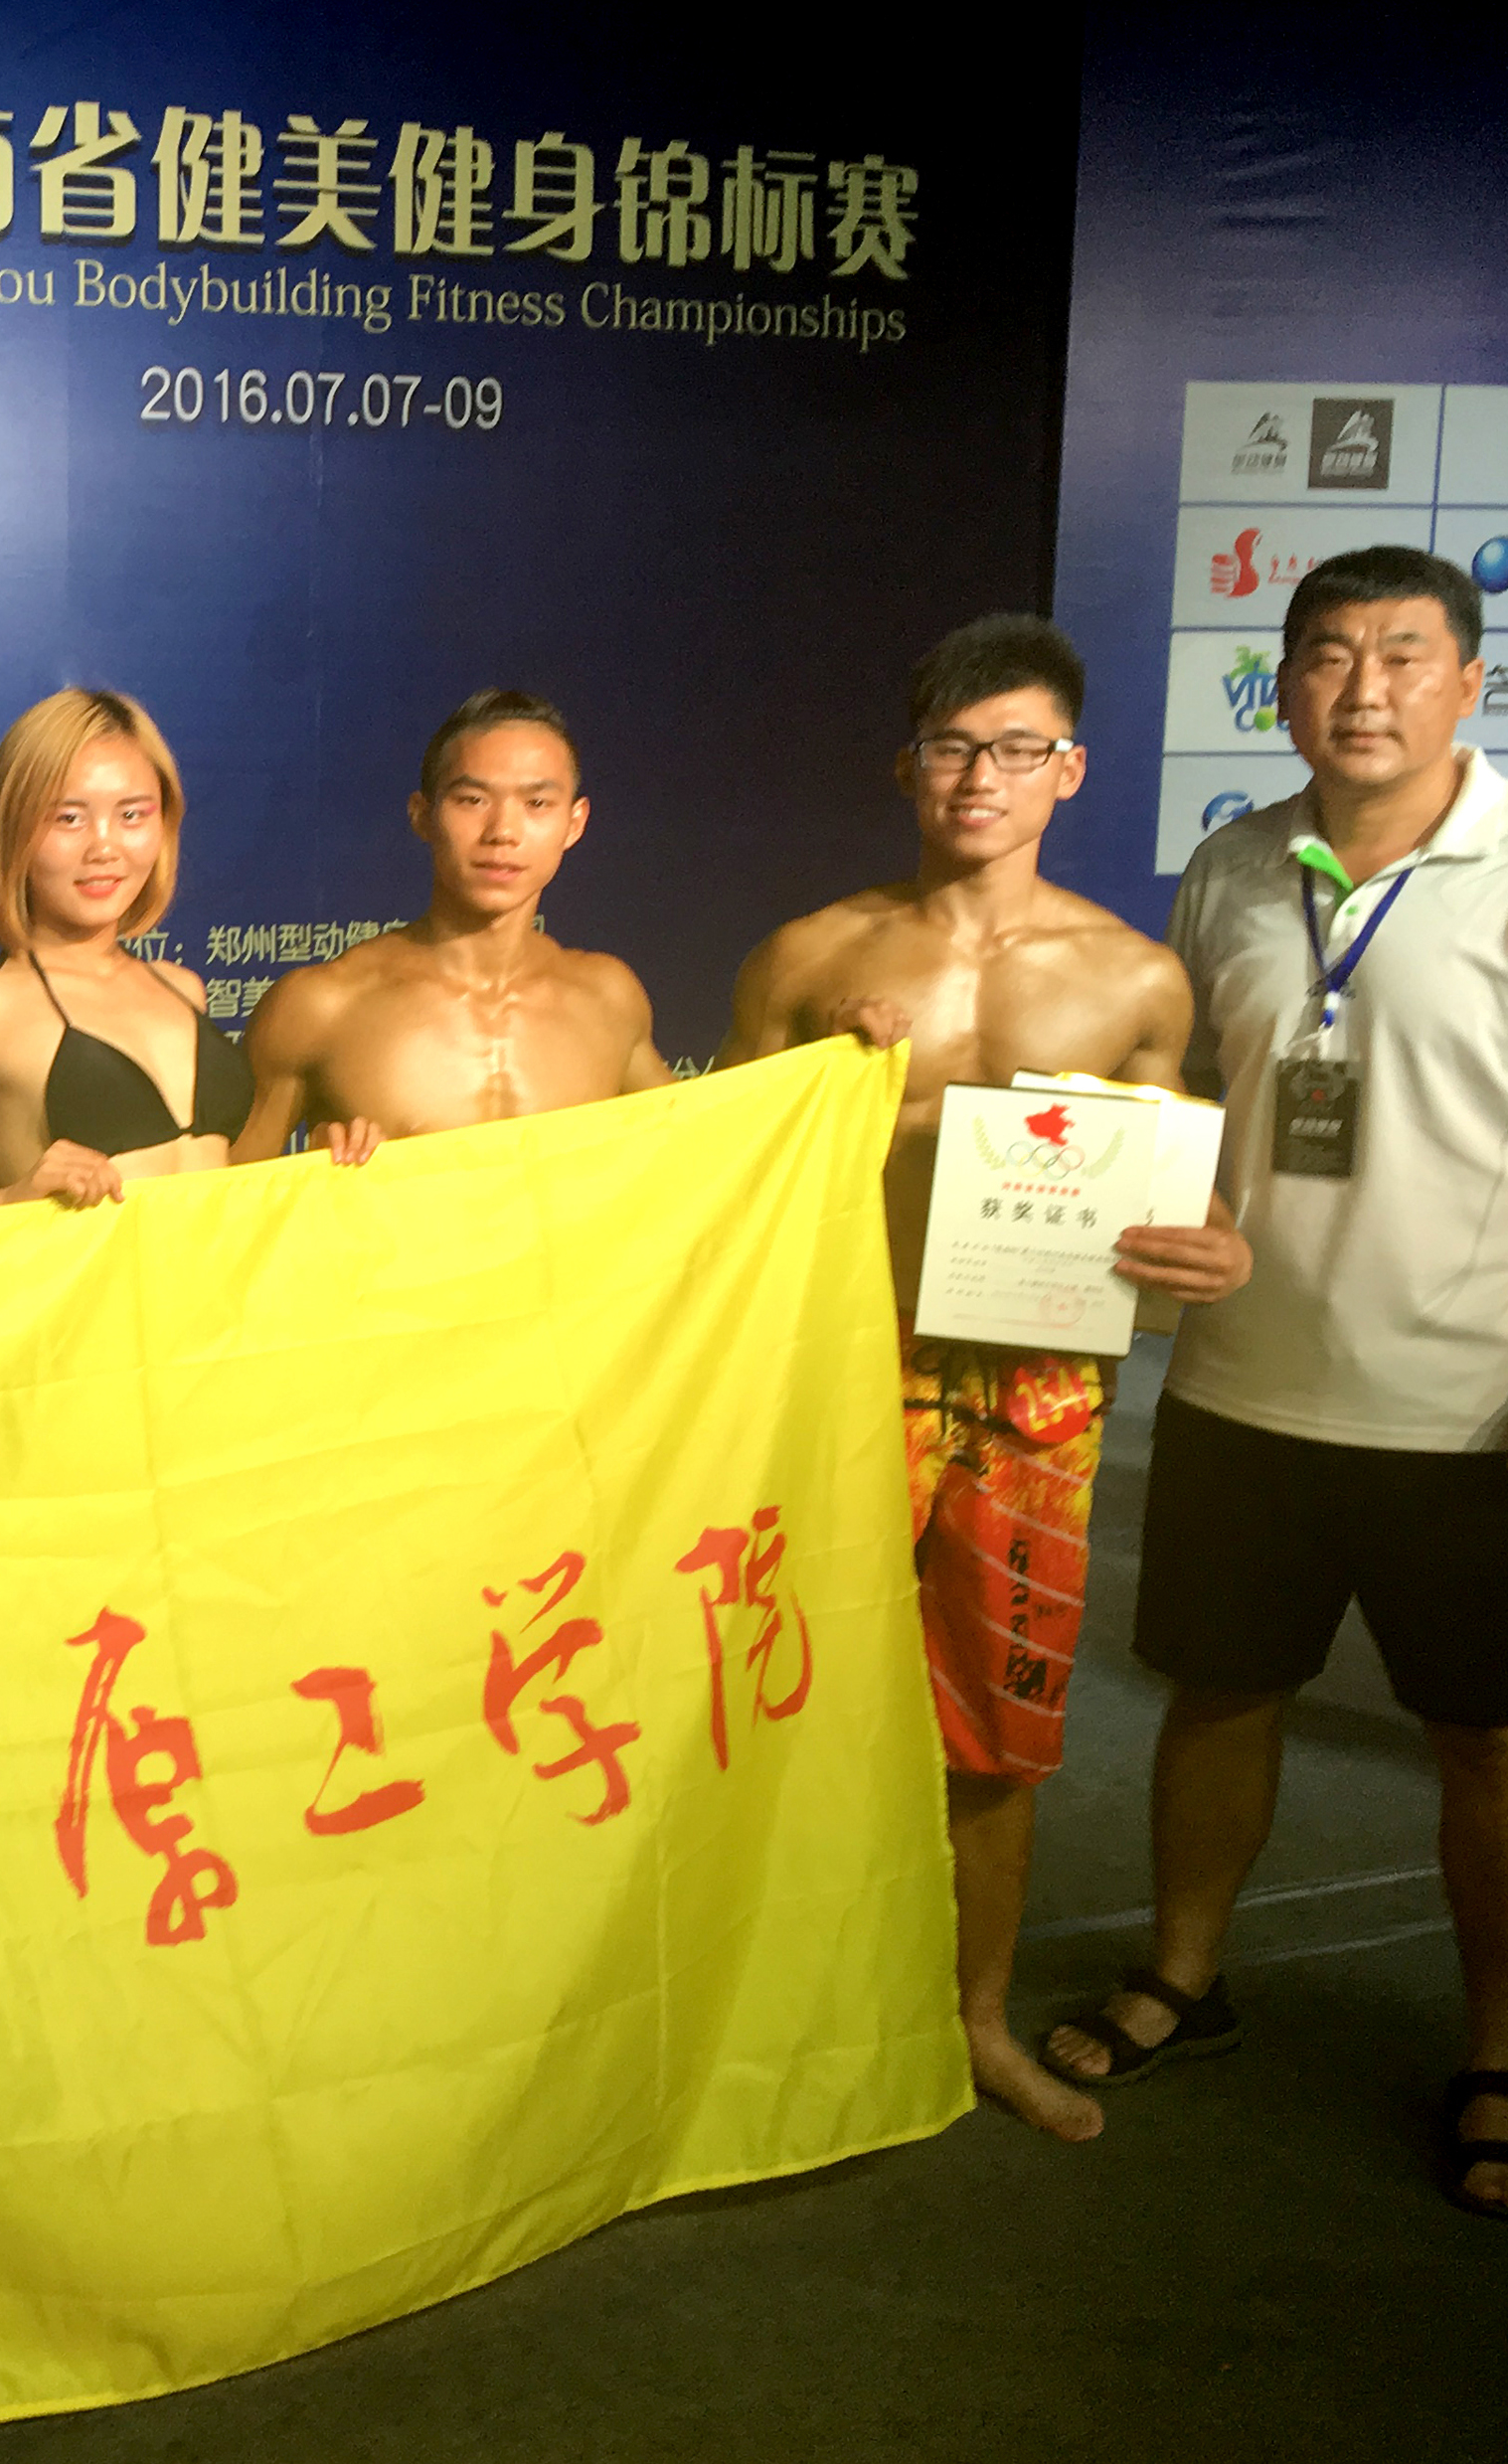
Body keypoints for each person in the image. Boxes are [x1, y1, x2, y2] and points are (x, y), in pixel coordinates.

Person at [719, 613, 1251, 2143]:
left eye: (1016, 748)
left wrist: (1211, 1242)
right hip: (835, 1368)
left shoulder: (1135, 977)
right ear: (908, 767)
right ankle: (753, 2030)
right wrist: (833, 1086)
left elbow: (1165, 1188)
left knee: (997, 1733)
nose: (980, 777)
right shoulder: (811, 955)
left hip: (1034, 1397)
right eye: (952, 747)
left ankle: (975, 2022)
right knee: (772, 1706)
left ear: (1067, 769)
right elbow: (721, 1173)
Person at [1038, 547, 1508, 2219]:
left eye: (1403, 654)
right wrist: (1179, 1211)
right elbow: (1193, 1095)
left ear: (1469, 681)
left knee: (1484, 1740)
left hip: (1469, 1405)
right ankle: (1184, 1973)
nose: (1363, 689)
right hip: (1241, 1387)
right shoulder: (1236, 866)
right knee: (1218, 1694)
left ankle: (1499, 2048)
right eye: (1327, 655)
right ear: (1287, 683)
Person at [239, 691, 666, 1155]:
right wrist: (314, 1179)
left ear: (575, 823)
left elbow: (697, 1155)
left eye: (537, 803)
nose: (503, 832)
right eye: (472, 800)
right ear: (423, 815)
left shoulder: (609, 999)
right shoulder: (322, 1006)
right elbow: (218, 1190)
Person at [0, 689, 251, 1211]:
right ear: (12, 828)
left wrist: (333, 1158)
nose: (104, 847)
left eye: (132, 815)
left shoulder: (182, 987)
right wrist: (6, 1200)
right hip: (75, 1270)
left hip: (221, 1266)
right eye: (68, 819)